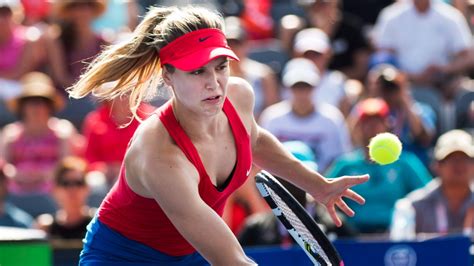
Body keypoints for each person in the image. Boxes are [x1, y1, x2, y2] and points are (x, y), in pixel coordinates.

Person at [68, 6, 369, 265]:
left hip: (193, 251)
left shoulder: (238, 96)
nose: (214, 83)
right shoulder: (159, 153)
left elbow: (254, 139)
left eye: (221, 66)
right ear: (168, 76)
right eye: (197, 72)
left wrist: (318, 185)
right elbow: (230, 260)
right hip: (123, 258)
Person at [326, 98, 431, 234]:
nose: (371, 126)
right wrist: (340, 225)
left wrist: (405, 222)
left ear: (387, 125)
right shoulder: (345, 164)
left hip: (396, 236)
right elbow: (323, 195)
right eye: (366, 122)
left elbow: (427, 196)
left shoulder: (405, 163)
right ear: (358, 127)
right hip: (350, 238)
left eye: (377, 121)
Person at [259, 57, 352, 172]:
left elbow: (338, 159)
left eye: (307, 87)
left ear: (316, 87)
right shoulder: (271, 117)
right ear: (287, 88)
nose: (302, 93)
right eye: (296, 87)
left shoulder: (332, 118)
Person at [391, 129, 473, 239]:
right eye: (451, 159)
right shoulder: (411, 206)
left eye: (464, 159)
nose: (459, 165)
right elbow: (402, 246)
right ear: (436, 165)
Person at [36, 156, 95, 240]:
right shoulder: (45, 227)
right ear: (54, 189)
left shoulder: (98, 223)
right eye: (65, 183)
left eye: (78, 183)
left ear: (88, 188)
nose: (72, 189)